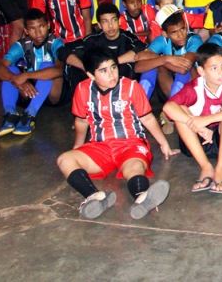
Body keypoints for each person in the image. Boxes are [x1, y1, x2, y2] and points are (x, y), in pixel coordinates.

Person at [56, 48, 175, 220]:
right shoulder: (83, 90)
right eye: (103, 71)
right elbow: (81, 121)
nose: (111, 74)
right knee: (64, 159)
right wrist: (78, 145)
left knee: (134, 168)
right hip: (100, 146)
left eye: (113, 67)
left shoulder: (132, 87)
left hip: (131, 144)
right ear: (90, 75)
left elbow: (147, 118)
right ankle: (95, 197)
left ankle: (142, 198)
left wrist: (164, 143)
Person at [162, 43, 222, 195]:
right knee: (180, 110)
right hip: (197, 142)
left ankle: (221, 168)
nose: (221, 72)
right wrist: (199, 127)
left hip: (220, 141)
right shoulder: (194, 87)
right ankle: (206, 167)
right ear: (201, 71)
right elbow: (168, 107)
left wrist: (207, 120)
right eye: (214, 68)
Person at [0, 9, 64, 136]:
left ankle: (29, 116)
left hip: (52, 95)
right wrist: (16, 79)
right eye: (32, 29)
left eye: (41, 26)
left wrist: (26, 75)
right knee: (10, 70)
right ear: (26, 31)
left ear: (48, 26)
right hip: (29, 92)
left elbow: (59, 70)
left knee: (48, 67)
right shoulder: (22, 45)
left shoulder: (55, 43)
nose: (38, 32)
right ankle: (10, 114)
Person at [58, 3, 147, 93]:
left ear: (119, 21)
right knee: (75, 68)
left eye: (114, 20)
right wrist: (86, 68)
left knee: (125, 67)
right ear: (99, 25)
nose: (110, 25)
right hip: (96, 82)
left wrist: (113, 64)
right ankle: (83, 100)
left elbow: (142, 49)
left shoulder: (128, 38)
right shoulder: (93, 39)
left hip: (121, 86)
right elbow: (63, 51)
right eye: (105, 22)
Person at [135, 5, 202, 99]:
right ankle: (140, 107)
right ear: (165, 34)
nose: (180, 35)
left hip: (195, 89)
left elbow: (183, 68)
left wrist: (163, 61)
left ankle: (174, 106)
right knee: (152, 68)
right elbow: (138, 65)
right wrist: (165, 59)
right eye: (174, 32)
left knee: (184, 71)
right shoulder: (162, 40)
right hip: (168, 86)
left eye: (182, 29)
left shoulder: (193, 39)